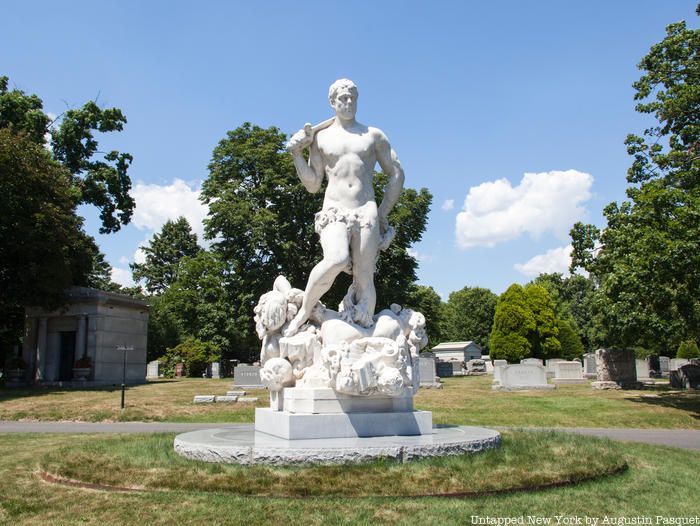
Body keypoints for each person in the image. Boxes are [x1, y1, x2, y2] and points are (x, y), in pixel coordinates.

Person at [284, 79, 404, 336]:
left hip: (366, 210)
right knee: (336, 258)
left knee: (364, 275)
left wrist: (382, 213)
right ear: (332, 102)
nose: (348, 103)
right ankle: (305, 310)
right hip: (335, 209)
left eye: (352, 98)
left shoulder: (373, 135)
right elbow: (313, 184)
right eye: (342, 98)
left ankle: (364, 331)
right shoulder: (321, 137)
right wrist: (296, 155)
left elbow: (396, 174)